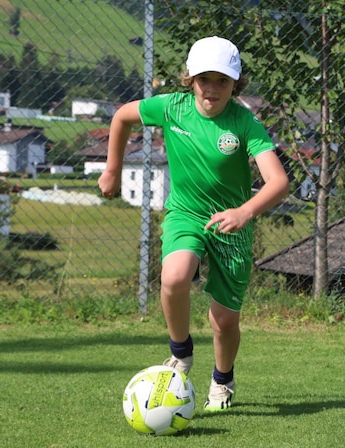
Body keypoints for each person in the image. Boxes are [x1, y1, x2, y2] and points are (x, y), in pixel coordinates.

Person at [99, 36, 290, 412]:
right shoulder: (172, 108)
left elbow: (279, 182)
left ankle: (222, 380)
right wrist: (112, 170)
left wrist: (243, 213)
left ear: (236, 83)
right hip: (186, 213)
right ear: (190, 79)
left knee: (224, 321)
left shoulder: (244, 123)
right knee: (173, 277)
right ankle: (181, 351)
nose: (213, 88)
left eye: (223, 80)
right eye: (205, 79)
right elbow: (122, 115)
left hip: (232, 226)